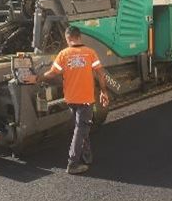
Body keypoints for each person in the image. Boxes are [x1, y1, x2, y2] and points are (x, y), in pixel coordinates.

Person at [24, 26, 109, 175]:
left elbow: (51, 74)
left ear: (68, 39)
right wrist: (103, 92)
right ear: (79, 37)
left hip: (71, 99)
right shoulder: (90, 53)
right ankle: (73, 163)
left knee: (81, 127)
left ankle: (86, 155)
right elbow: (100, 74)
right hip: (85, 99)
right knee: (81, 128)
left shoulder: (63, 54)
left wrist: (36, 78)